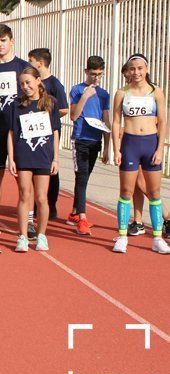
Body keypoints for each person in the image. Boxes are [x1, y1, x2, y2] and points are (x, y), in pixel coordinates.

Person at [110, 54, 170, 254]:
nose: (136, 72)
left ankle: (158, 238)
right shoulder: (122, 93)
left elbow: (162, 121)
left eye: (140, 68)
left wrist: (160, 148)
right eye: (132, 68)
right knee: (125, 192)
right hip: (130, 144)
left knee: (154, 193)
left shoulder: (156, 92)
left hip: (150, 144)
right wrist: (116, 149)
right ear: (128, 70)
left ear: (146, 69)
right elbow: (116, 122)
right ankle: (122, 236)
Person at [0, 24, 30, 237]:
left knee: (24, 177)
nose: (0, 45)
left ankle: (29, 219)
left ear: (12, 41)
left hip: (20, 130)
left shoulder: (23, 67)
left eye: (3, 40)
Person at [7, 67, 61, 252]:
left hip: (43, 155)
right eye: (21, 84)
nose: (25, 87)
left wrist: (56, 159)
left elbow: (55, 132)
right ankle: (22, 236)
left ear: (38, 81)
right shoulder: (17, 105)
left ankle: (42, 235)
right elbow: (11, 133)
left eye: (28, 82)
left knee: (41, 197)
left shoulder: (50, 103)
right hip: (24, 154)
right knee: (24, 195)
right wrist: (11, 158)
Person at [67, 56, 111, 235]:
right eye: (93, 74)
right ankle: (82, 218)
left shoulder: (104, 94)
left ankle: (75, 212)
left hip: (96, 140)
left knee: (84, 177)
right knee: (82, 176)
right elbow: (73, 116)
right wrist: (85, 96)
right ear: (86, 71)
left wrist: (107, 147)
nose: (96, 78)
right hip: (80, 140)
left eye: (99, 75)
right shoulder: (77, 90)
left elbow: (106, 120)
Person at [27, 48, 69, 223]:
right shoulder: (30, 83)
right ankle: (34, 205)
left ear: (40, 63)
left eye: (30, 61)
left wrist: (47, 116)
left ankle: (50, 205)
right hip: (32, 133)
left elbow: (65, 109)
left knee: (50, 170)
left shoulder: (54, 84)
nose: (28, 64)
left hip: (48, 134)